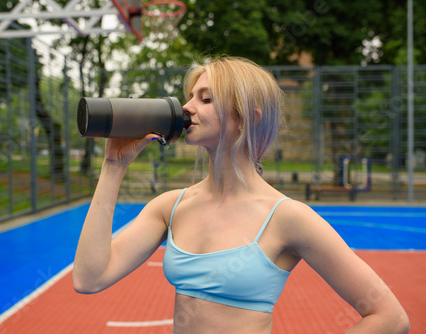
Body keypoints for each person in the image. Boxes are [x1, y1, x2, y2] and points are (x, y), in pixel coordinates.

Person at [73, 56, 409, 333]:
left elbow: (390, 317)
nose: (187, 107)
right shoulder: (171, 207)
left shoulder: (287, 217)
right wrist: (113, 166)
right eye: (190, 96)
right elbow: (89, 278)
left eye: (205, 99)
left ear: (245, 119)